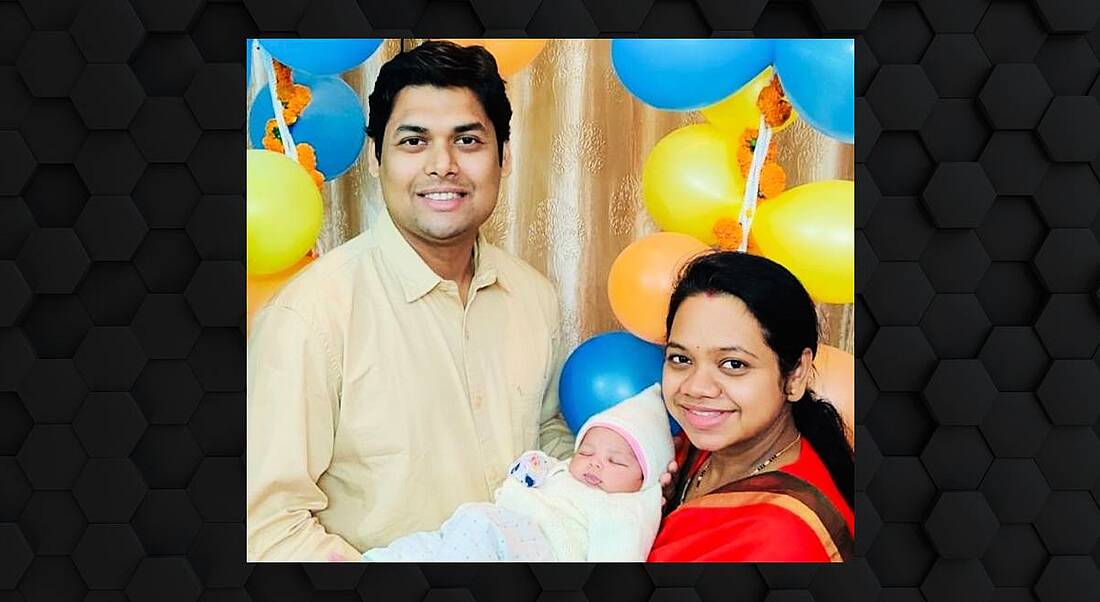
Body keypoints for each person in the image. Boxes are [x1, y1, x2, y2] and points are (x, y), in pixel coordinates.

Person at [246, 41, 574, 561]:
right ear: (376, 158)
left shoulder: (533, 296)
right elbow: (265, 528)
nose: (442, 165)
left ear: (504, 156)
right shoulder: (311, 317)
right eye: (413, 141)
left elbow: (548, 442)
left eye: (467, 140)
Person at [647, 251, 855, 562]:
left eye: (733, 364)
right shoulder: (687, 450)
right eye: (681, 359)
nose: (695, 387)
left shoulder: (783, 537)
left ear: (796, 374)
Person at [360, 384, 674, 561]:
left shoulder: (626, 509)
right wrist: (533, 466)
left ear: (644, 479)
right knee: (434, 543)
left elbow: (618, 560)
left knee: (476, 529)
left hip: (540, 550)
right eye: (587, 452)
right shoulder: (568, 472)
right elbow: (537, 471)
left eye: (615, 461)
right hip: (504, 525)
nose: (594, 463)